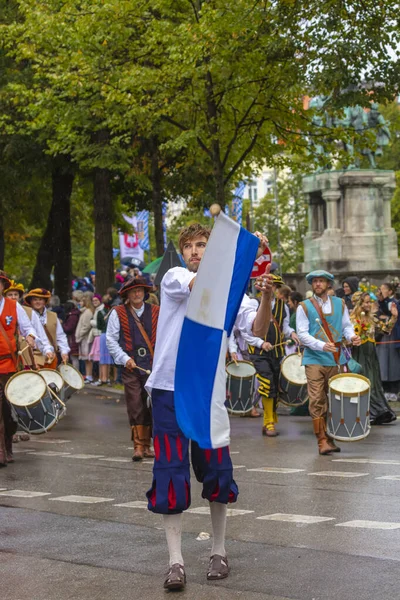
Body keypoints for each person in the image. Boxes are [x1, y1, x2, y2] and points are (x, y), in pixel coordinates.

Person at [144, 223, 273, 591]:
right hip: (169, 391)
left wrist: (263, 294)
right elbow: (202, 286)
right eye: (190, 246)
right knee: (170, 473)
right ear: (183, 253)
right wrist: (243, 253)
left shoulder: (235, 295)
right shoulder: (175, 276)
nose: (196, 251)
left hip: (208, 393)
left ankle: (219, 551)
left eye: (203, 245)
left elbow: (258, 330)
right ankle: (176, 561)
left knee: (217, 471)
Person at [296, 270, 361, 455]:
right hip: (314, 359)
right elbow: (302, 334)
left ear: (328, 284)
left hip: (335, 359)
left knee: (334, 399)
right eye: (314, 281)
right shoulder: (304, 306)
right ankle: (321, 440)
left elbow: (346, 326)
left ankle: (330, 437)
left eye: (321, 281)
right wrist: (322, 346)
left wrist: (353, 336)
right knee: (317, 399)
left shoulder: (340, 304)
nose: (317, 284)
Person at [106, 277, 160, 459]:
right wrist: (124, 358)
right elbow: (111, 340)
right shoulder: (118, 313)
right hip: (131, 366)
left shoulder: (156, 312)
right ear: (127, 294)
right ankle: (138, 445)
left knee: (152, 405)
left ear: (145, 293)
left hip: (152, 366)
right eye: (133, 291)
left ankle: (148, 445)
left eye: (140, 290)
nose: (137, 294)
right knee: (135, 403)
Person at [247, 274, 300, 437]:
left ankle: (268, 421)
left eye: (274, 286)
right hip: (258, 352)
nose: (271, 289)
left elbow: (284, 327)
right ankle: (269, 423)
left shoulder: (282, 305)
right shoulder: (252, 303)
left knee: (275, 386)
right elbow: (245, 331)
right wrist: (260, 343)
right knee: (267, 383)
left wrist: (291, 333)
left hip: (277, 351)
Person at [0, 272, 38, 465]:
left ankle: (7, 445)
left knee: (8, 411)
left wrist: (30, 336)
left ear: (3, 286)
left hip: (8, 365)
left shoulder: (14, 306)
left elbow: (28, 327)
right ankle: (0, 451)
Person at [350, 292, 397, 425]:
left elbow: (386, 330)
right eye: (365, 302)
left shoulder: (371, 319)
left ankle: (378, 411)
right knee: (364, 381)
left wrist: (394, 316)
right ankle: (367, 412)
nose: (368, 305)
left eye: (369, 302)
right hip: (360, 355)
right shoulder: (352, 319)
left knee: (374, 382)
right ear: (359, 303)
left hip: (371, 355)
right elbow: (346, 338)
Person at [24, 288, 70, 368]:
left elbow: (60, 336)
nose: (38, 302)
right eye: (35, 299)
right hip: (32, 357)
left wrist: (64, 351)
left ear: (45, 301)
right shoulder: (25, 316)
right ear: (30, 302)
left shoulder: (53, 316)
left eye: (40, 299)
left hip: (51, 357)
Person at [376, 282, 400, 400]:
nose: (381, 292)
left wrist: (388, 317)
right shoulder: (381, 303)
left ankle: (394, 389)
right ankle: (385, 388)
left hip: (393, 337)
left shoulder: (395, 303)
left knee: (393, 363)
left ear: (390, 291)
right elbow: (379, 313)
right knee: (383, 362)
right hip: (384, 336)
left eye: (383, 289)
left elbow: (392, 314)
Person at [75, 291, 95, 382]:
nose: (80, 303)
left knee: (88, 358)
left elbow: (86, 326)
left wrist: (80, 335)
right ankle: (88, 375)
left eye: (82, 301)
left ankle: (89, 375)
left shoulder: (87, 312)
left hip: (85, 338)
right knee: (86, 358)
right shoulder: (84, 311)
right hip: (84, 338)